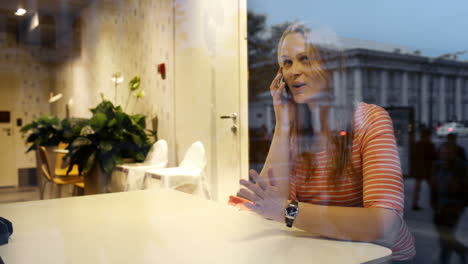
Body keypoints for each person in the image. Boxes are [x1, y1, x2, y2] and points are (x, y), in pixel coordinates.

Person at [237, 23, 415, 262]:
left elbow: (385, 224)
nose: (293, 71)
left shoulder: (371, 119)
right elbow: (270, 203)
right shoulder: (295, 130)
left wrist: (287, 211)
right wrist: (282, 123)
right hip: (324, 250)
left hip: (381, 257)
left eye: (306, 59)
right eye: (287, 63)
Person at [432, 133, 467, 264]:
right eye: (443, 153)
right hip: (440, 207)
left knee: (445, 238)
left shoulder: (461, 167)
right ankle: (462, 250)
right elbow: (434, 188)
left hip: (453, 206)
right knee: (444, 236)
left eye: (447, 153)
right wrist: (434, 205)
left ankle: (444, 260)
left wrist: (459, 207)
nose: (445, 155)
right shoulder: (437, 167)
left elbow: (465, 189)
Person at [410, 128, 437, 210]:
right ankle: (435, 203)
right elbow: (434, 157)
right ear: (427, 136)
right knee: (433, 187)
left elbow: (413, 157)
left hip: (419, 168)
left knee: (417, 187)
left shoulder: (417, 144)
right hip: (427, 168)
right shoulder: (430, 145)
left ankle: (414, 204)